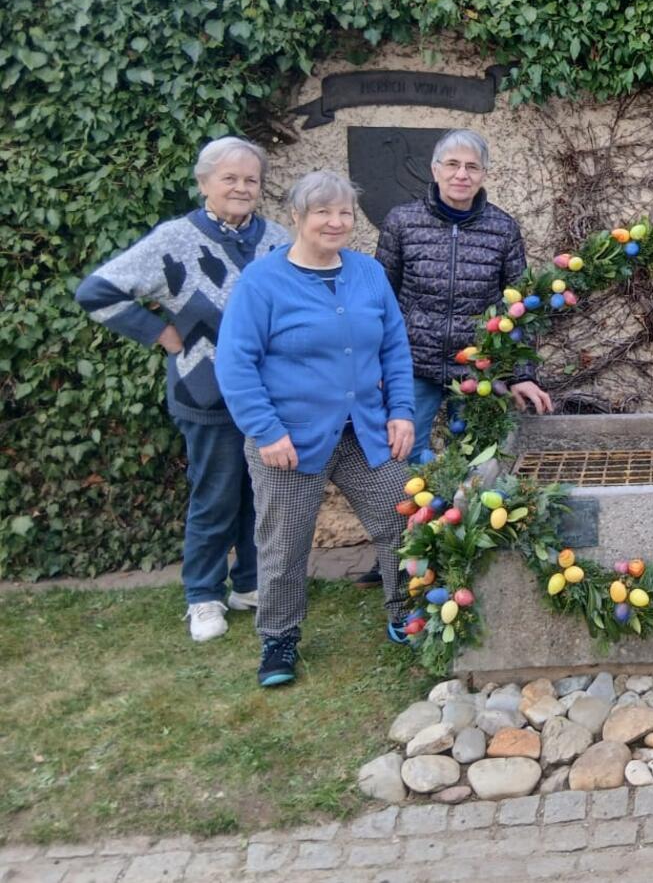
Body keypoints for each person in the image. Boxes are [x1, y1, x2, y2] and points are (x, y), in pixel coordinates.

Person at [76, 137, 289, 644]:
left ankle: (252, 584)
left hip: (268, 396)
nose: (241, 187)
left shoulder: (277, 239)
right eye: (229, 178)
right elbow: (96, 291)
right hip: (206, 391)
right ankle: (203, 595)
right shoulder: (174, 240)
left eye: (250, 179)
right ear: (204, 184)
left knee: (262, 495)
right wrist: (159, 333)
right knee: (214, 497)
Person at [216, 171, 416, 687]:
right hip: (290, 438)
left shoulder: (368, 273)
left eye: (345, 212)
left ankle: (405, 612)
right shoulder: (262, 282)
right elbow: (236, 363)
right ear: (298, 218)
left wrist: (402, 412)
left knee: (402, 517)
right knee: (285, 542)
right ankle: (279, 639)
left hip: (365, 432)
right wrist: (265, 430)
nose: (336, 221)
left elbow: (394, 348)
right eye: (323, 212)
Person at [363, 130, 552, 587]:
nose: (461, 174)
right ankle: (401, 553)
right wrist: (376, 370)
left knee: (477, 464)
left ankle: (465, 557)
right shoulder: (402, 222)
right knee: (406, 465)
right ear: (435, 170)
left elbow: (517, 309)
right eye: (452, 164)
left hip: (478, 373)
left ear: (484, 174)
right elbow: (380, 299)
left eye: (471, 166)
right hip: (415, 368)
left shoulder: (503, 229)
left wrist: (522, 374)